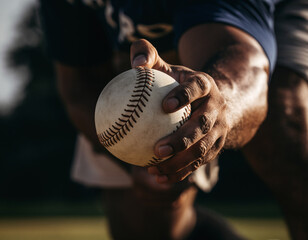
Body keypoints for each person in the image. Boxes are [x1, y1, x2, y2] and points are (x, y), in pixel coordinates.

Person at [39, 0, 307, 239]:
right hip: (140, 52)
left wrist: (215, 107)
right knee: (144, 225)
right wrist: (137, 164)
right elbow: (78, 89)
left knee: (285, 120)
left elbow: (242, 61)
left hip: (254, 18)